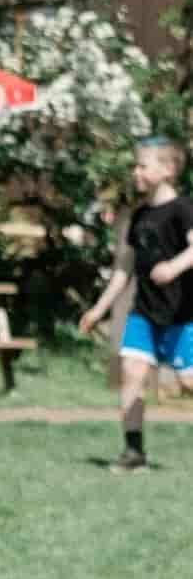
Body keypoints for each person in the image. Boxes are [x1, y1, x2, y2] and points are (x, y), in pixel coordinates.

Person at [79, 137, 193, 473]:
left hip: (181, 315)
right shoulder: (140, 216)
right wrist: (99, 309)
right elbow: (124, 269)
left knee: (188, 382)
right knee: (131, 372)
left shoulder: (184, 209)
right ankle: (133, 452)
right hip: (144, 313)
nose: (136, 171)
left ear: (168, 169)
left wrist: (173, 267)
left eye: (143, 165)